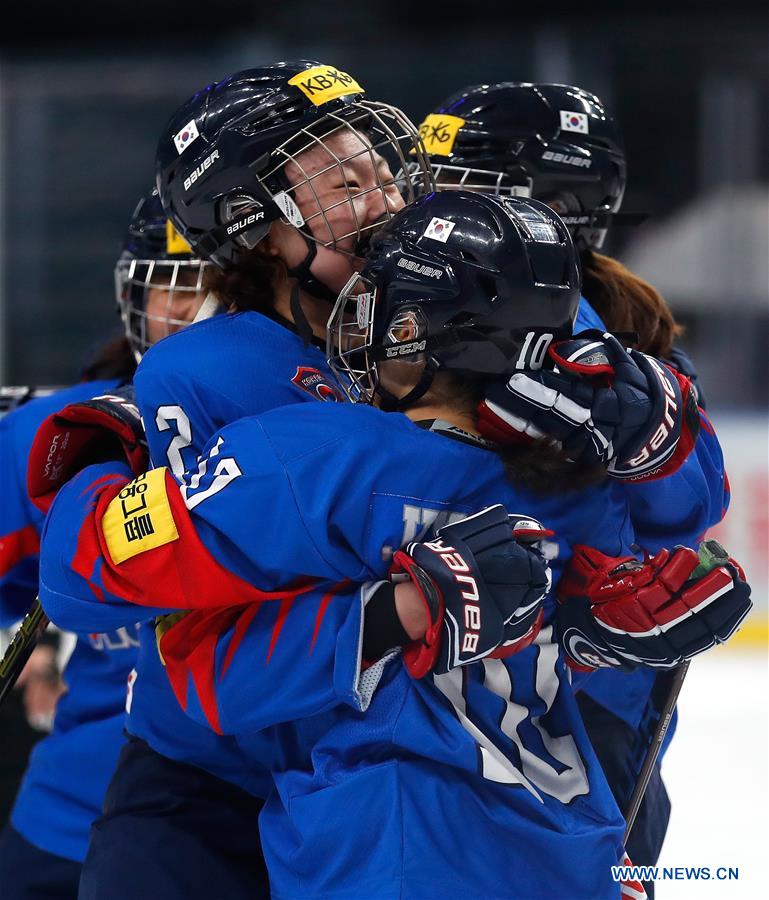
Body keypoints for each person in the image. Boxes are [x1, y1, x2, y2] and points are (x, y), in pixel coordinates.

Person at [37, 190, 751, 898]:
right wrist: (587, 634)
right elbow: (645, 557)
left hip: (384, 853)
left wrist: (101, 453)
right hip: (572, 853)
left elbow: (91, 585)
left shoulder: (316, 458)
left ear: (410, 328)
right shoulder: (584, 486)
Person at [24, 61, 436, 899]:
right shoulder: (203, 371)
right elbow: (200, 632)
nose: (382, 202)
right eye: (339, 182)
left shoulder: (448, 329)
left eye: (381, 173)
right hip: (211, 780)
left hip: (378, 778)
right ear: (254, 224)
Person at [418, 80, 728, 885]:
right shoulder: (437, 309)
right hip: (487, 684)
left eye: (462, 190)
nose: (431, 211)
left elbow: (692, 505)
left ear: (550, 206)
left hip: (564, 705)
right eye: (428, 182)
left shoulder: (608, 350)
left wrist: (645, 449)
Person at [0, 189, 206, 899]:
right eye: (169, 285)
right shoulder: (60, 432)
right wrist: (29, 648)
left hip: (247, 821)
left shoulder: (313, 428)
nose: (186, 309)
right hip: (72, 816)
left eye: (212, 283)